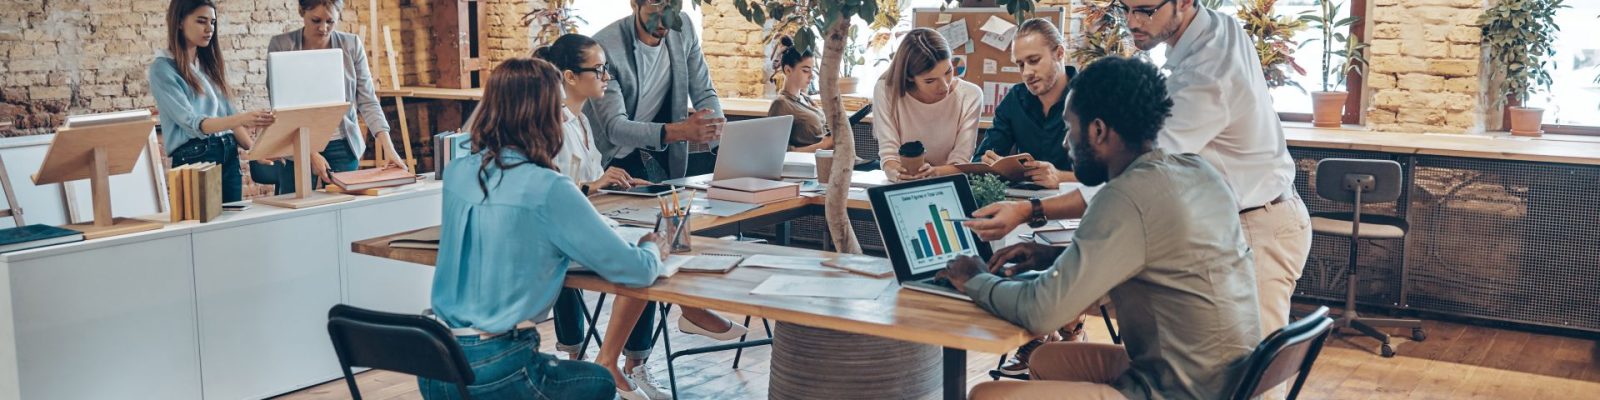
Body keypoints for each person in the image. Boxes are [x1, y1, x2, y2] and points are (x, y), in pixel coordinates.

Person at [963, 0, 1312, 350]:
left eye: (1145, 10)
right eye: (1125, 8)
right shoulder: (1214, 29)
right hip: (1236, 219)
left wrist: (1030, 212)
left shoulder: (1204, 77)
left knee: (1249, 381)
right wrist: (1055, 257)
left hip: (1258, 223)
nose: (1132, 22)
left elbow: (1131, 176)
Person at [942, 56, 1262, 399]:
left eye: (1070, 127)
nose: (1066, 143)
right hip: (1229, 379)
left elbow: (1040, 312)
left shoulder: (1123, 198)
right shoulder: (1197, 170)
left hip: (1178, 392)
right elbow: (1155, 255)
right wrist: (1053, 255)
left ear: (1097, 130)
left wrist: (974, 278)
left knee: (987, 395)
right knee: (1047, 359)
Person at [423, 57, 662, 400]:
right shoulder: (550, 188)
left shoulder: (459, 173)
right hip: (500, 370)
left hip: (436, 362)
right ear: (545, 115)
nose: (563, 116)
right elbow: (635, 270)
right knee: (599, 382)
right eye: (558, 107)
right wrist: (655, 245)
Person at [533, 33, 744, 400]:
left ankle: (624, 354)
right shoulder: (550, 124)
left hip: (588, 219)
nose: (606, 77)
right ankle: (682, 316)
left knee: (665, 231)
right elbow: (550, 189)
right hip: (562, 234)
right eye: (598, 70)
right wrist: (595, 185)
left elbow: (588, 181)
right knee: (649, 251)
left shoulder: (581, 123)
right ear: (569, 76)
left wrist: (619, 183)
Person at [257, 0, 408, 193]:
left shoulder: (351, 45)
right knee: (296, 213)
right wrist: (310, 153)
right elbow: (283, 109)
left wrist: (390, 149)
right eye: (316, 20)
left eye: (330, 21)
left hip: (342, 145)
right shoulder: (281, 45)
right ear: (302, 12)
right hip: (297, 145)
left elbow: (367, 100)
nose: (323, 28)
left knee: (343, 212)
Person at [586, 0, 726, 182]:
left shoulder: (684, 29)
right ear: (634, 5)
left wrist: (723, 150)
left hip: (648, 150)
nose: (663, 23)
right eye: (654, 14)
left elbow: (704, 93)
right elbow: (615, 127)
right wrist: (682, 131)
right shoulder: (605, 47)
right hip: (604, 160)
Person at [150, 0, 272, 203]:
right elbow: (194, 123)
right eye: (201, 21)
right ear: (179, 22)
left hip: (228, 152)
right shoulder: (162, 69)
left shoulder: (208, 65)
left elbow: (229, 115)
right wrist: (241, 119)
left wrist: (255, 151)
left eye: (213, 22)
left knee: (231, 226)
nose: (209, 29)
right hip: (194, 157)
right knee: (201, 230)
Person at [975, 19, 1079, 190]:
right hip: (1022, 203)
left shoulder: (1092, 97)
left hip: (1076, 206)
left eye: (1034, 60)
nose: (1027, 73)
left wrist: (1061, 178)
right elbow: (982, 160)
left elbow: (1116, 177)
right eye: (1021, 65)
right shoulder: (1014, 99)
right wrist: (991, 164)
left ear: (1059, 53)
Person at [873, 28, 983, 182]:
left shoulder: (970, 95)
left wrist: (933, 173)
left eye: (948, 72)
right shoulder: (886, 90)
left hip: (948, 184)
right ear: (910, 77)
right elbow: (889, 155)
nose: (944, 86)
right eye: (930, 81)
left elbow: (961, 162)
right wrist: (898, 174)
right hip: (902, 184)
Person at [766, 36, 831, 153]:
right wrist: (823, 145)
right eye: (805, 70)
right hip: (812, 164)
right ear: (788, 70)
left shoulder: (806, 99)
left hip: (833, 157)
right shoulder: (781, 104)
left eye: (812, 70)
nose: (811, 75)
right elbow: (777, 152)